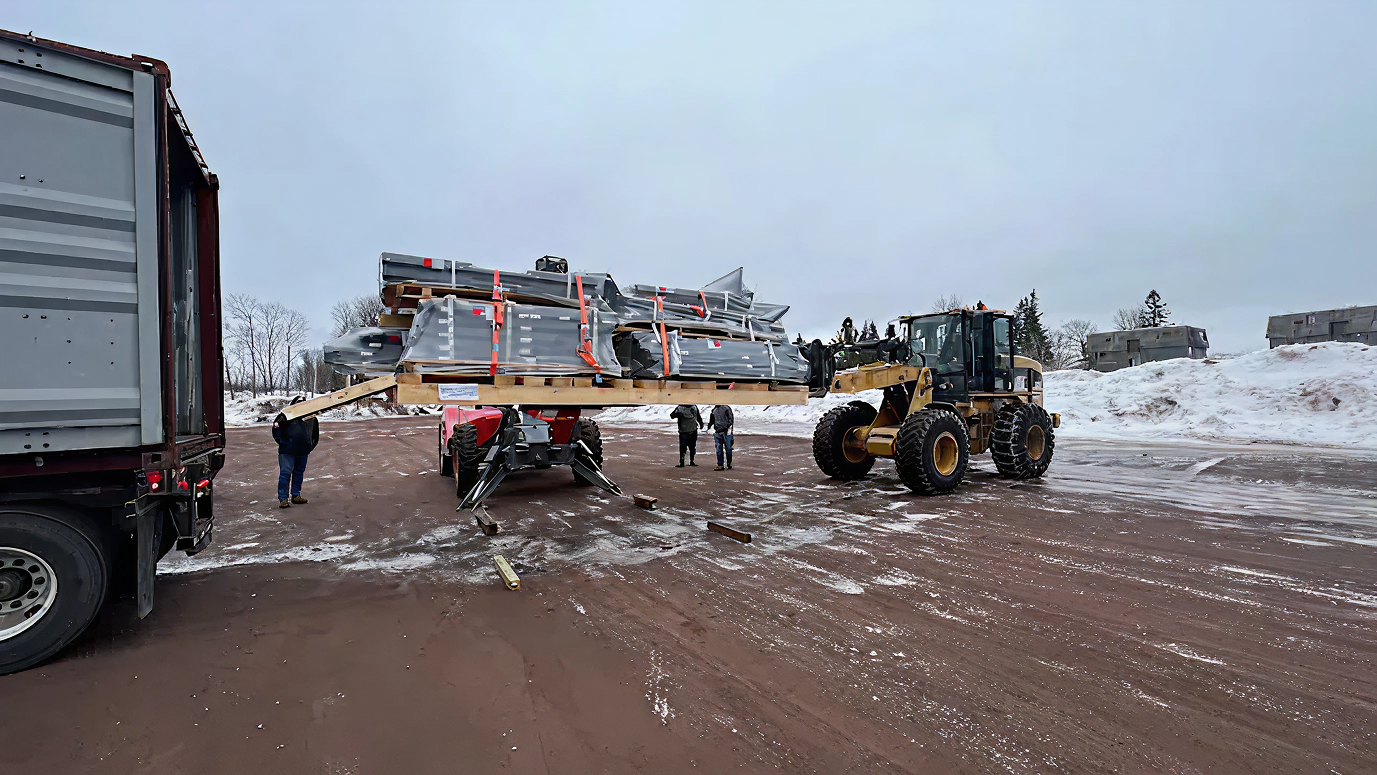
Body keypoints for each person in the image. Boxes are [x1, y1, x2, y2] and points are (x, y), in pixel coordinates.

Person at [272, 396, 319, 508]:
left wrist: (309, 446)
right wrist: (283, 442)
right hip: (287, 451)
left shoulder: (311, 418)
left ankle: (296, 495)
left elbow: (315, 435)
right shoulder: (285, 416)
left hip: (303, 451)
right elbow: (276, 430)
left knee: (299, 474)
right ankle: (283, 499)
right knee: (285, 473)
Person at [708, 404, 734, 470]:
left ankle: (728, 463)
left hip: (726, 431)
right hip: (718, 431)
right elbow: (712, 419)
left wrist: (727, 428)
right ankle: (720, 464)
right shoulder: (714, 409)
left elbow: (731, 419)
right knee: (719, 448)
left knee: (728, 448)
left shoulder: (726, 408)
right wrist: (710, 425)